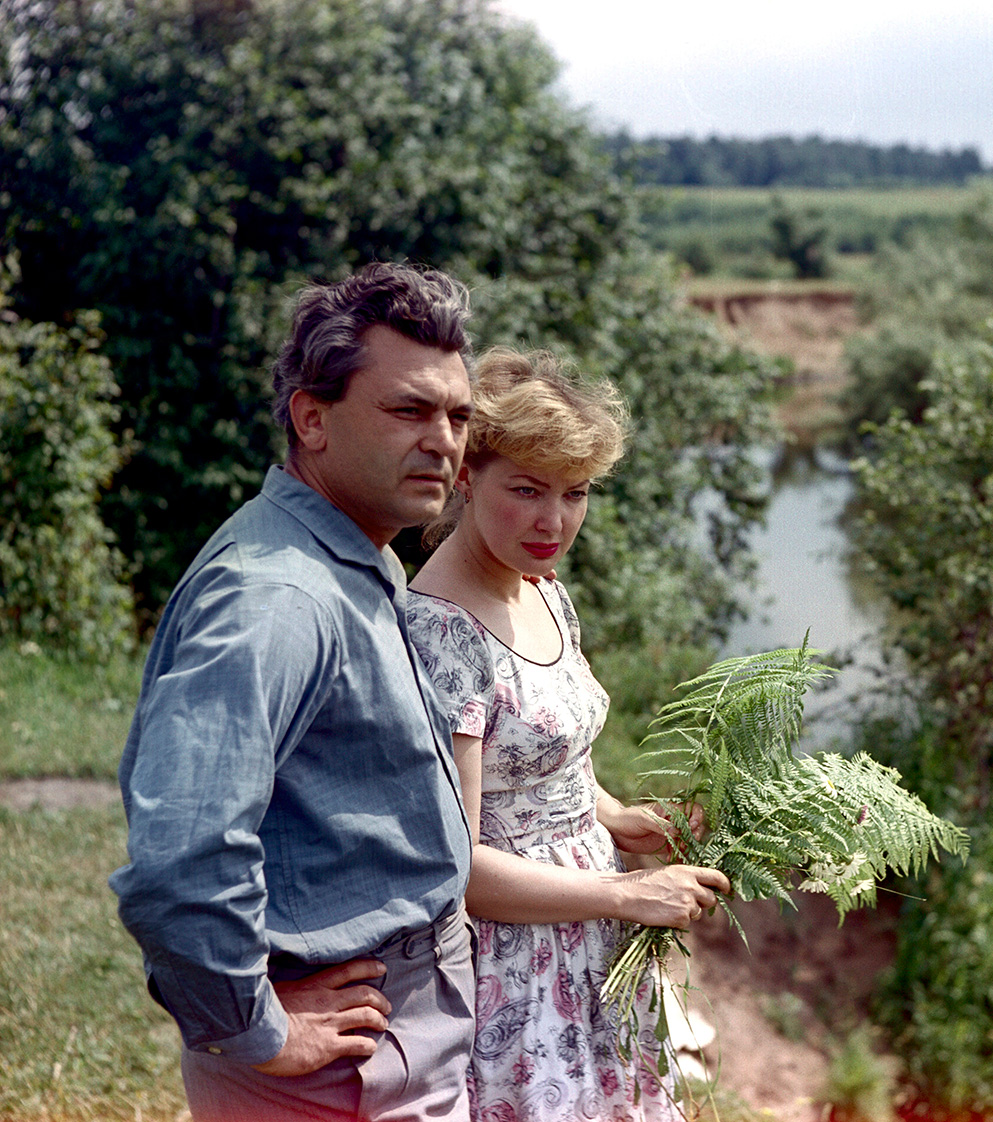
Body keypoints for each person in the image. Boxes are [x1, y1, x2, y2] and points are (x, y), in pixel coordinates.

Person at [111, 262, 479, 1122]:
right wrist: (254, 1029)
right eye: (408, 411)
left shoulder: (349, 551)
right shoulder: (278, 596)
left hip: (392, 1039)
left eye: (458, 416)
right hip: (341, 1072)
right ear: (312, 419)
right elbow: (181, 857)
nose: (443, 441)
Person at [404, 348, 729, 1122]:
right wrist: (627, 891)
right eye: (526, 490)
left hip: (593, 939)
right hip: (518, 969)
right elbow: (459, 870)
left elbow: (551, 762)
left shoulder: (543, 588)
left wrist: (617, 818)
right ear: (466, 476)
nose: (554, 521)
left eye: (575, 492)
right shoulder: (441, 633)